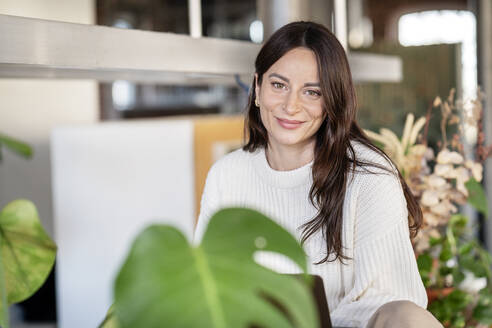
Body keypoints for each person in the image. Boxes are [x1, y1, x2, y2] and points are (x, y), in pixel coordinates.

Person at [193, 21, 443, 328]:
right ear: (257, 87)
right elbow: (207, 289)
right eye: (279, 85)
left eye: (312, 92)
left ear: (331, 102)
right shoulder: (226, 175)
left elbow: (393, 304)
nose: (291, 105)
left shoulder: (369, 177)